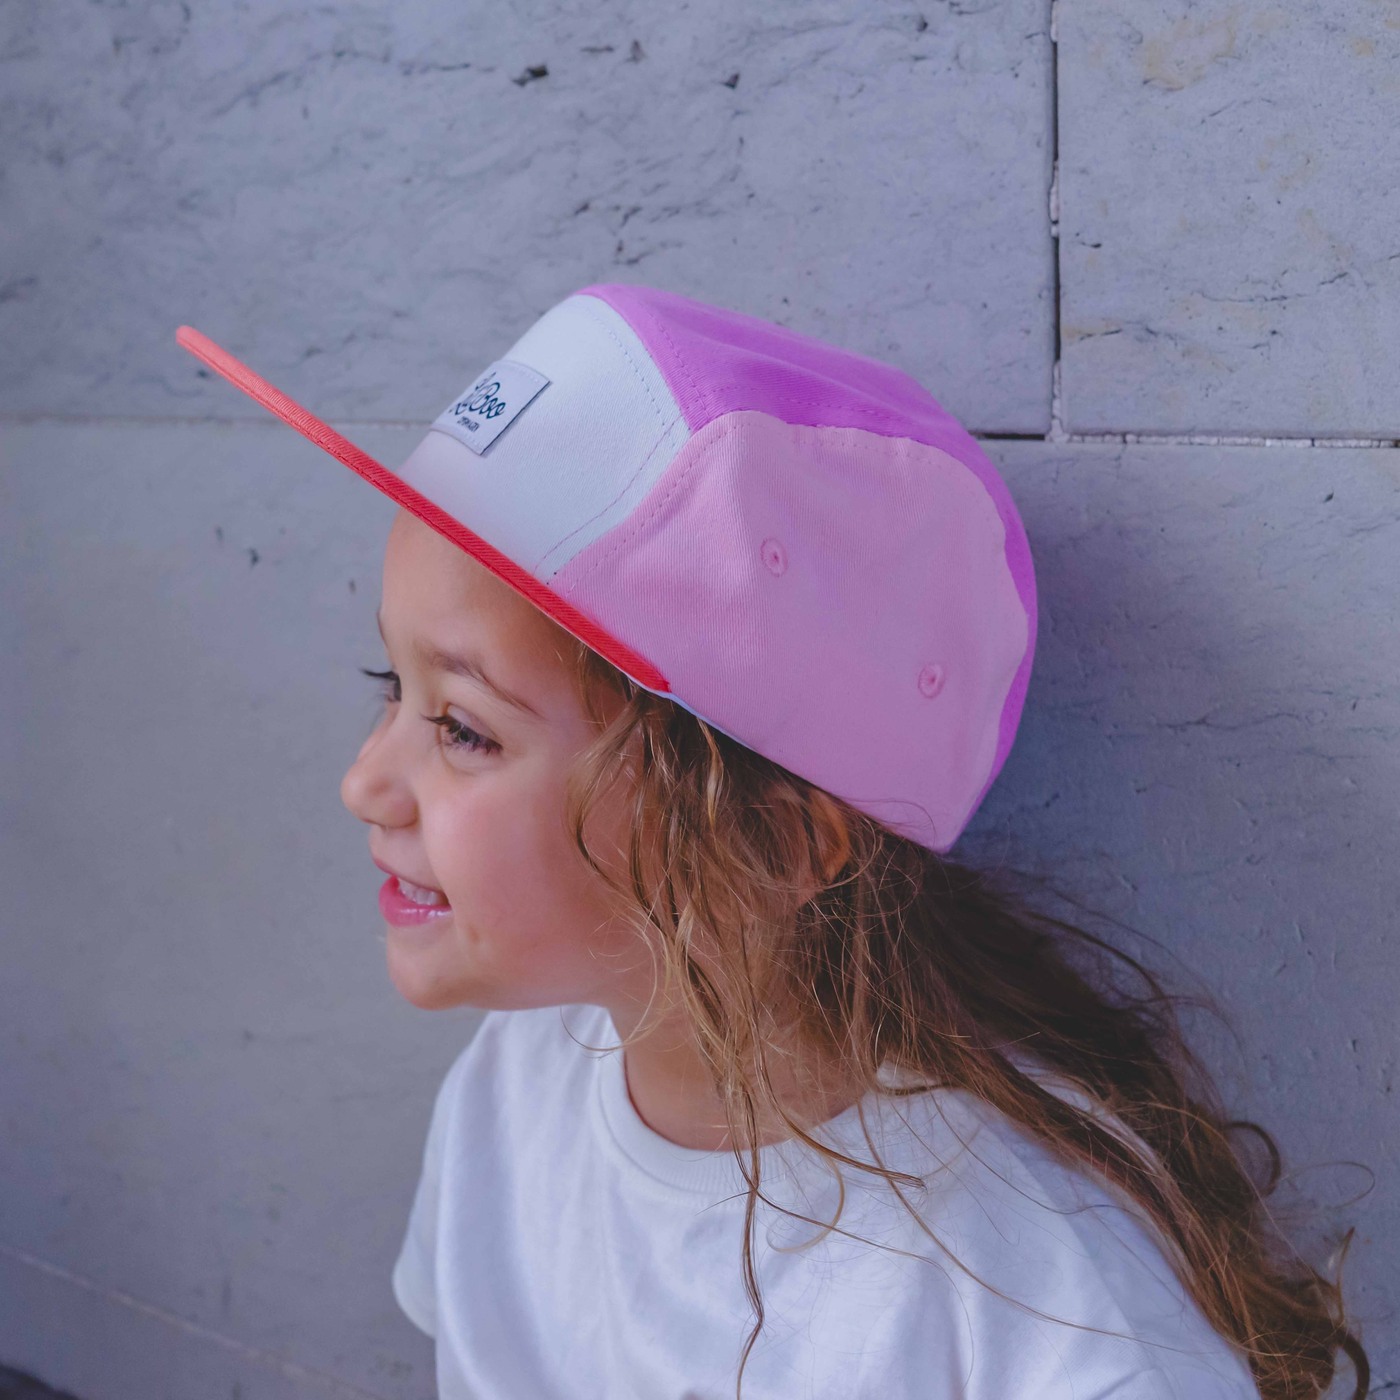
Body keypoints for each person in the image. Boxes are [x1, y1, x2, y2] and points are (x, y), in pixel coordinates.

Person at [177, 283, 1368, 1400]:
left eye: (461, 728)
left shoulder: (1028, 1266)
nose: (364, 781)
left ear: (774, 844)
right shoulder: (512, 1093)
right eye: (390, 685)